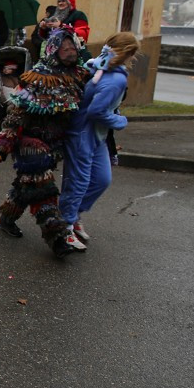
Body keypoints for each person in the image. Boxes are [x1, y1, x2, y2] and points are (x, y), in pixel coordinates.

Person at [0, 28, 87, 258]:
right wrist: (5, 141)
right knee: (43, 187)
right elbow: (16, 112)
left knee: (27, 185)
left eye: (72, 46)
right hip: (30, 142)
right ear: (53, 49)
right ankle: (56, 238)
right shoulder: (36, 78)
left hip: (54, 144)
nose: (69, 51)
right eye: (64, 47)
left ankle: (7, 217)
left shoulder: (79, 75)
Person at [59, 33, 139, 246]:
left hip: (96, 135)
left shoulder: (98, 65)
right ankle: (64, 227)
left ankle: (73, 216)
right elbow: (96, 111)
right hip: (83, 134)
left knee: (102, 179)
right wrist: (120, 120)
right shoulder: (115, 78)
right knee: (78, 182)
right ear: (129, 53)